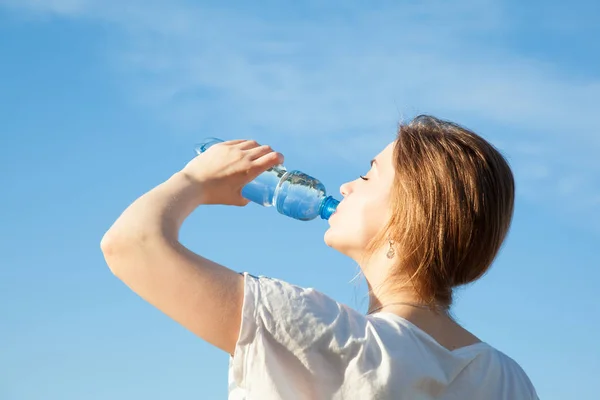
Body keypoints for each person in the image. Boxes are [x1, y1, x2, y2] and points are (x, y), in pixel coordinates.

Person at [101, 115, 539, 399]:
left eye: (369, 175)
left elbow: (129, 245)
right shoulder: (509, 380)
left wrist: (194, 180)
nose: (347, 186)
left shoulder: (321, 334)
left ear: (411, 214)